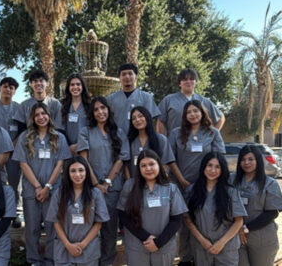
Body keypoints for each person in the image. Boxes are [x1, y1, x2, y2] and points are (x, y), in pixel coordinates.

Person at [13, 102, 72, 265]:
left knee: (52, 226)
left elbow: (60, 164)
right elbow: (22, 164)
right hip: (31, 191)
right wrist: (38, 187)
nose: (40, 117)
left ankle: (51, 259)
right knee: (32, 228)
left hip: (53, 191)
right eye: (37, 115)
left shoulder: (59, 138)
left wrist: (48, 187)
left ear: (49, 116)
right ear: (32, 118)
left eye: (43, 114)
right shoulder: (25, 137)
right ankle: (34, 260)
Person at [77, 96, 130, 265]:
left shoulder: (119, 133)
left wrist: (107, 182)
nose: (100, 112)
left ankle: (107, 261)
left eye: (103, 108)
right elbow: (83, 159)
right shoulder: (85, 132)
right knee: (87, 226)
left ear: (108, 110)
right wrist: (95, 184)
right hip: (90, 188)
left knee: (109, 229)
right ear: (92, 113)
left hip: (112, 189)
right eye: (96, 109)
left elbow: (121, 159)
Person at [117, 149, 188, 266]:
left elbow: (177, 219)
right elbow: (123, 215)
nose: (148, 168)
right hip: (137, 246)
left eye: (151, 164)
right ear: (138, 169)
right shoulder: (130, 186)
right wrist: (146, 237)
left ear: (159, 165)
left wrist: (158, 243)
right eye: (143, 165)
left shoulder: (170, 188)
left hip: (163, 246)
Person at [184, 152, 246, 266]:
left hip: (226, 248)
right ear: (203, 166)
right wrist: (203, 241)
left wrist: (221, 243)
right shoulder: (191, 191)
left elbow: (239, 221)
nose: (213, 170)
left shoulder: (231, 192)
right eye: (209, 165)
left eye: (218, 167)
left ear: (223, 169)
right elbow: (188, 220)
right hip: (202, 247)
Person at [46, 156, 110, 266]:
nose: (77, 175)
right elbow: (55, 222)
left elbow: (99, 223)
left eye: (81, 170)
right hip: (64, 249)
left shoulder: (95, 194)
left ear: (86, 172)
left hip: (88, 249)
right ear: (67, 173)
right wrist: (68, 245)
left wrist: (83, 244)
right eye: (73, 171)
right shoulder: (59, 193)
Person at [232, 145, 282, 266]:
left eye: (250, 159)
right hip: (236, 236)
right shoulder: (232, 180)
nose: (246, 163)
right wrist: (237, 228)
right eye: (243, 160)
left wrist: (245, 228)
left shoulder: (269, 183)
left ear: (258, 161)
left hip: (261, 238)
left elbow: (272, 212)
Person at [168, 100, 225, 189]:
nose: (192, 114)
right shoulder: (175, 133)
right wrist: (182, 181)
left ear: (202, 112)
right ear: (185, 116)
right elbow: (170, 160)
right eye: (188, 112)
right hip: (181, 184)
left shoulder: (213, 133)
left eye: (195, 111)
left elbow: (219, 159)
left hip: (207, 184)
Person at [157, 68, 225, 136]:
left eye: (191, 79)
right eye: (185, 79)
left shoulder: (204, 101)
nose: (188, 81)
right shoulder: (169, 100)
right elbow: (160, 121)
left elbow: (220, 118)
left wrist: (211, 136)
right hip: (175, 144)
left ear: (196, 82)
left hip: (199, 144)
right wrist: (163, 142)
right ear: (179, 83)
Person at [0, 77, 22, 228]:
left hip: (13, 153)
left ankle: (15, 213)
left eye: (11, 87)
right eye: (5, 86)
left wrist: (11, 146)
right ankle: (0, 210)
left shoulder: (18, 108)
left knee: (14, 183)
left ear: (14, 91)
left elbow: (22, 130)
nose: (8, 89)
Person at [107, 63, 160, 135]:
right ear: (119, 78)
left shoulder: (146, 97)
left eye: (130, 73)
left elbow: (151, 121)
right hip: (117, 139)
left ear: (136, 77)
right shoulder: (111, 99)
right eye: (124, 74)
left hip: (139, 139)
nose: (127, 76)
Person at [127, 106, 176, 178]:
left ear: (147, 117)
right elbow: (125, 165)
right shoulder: (129, 141)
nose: (137, 120)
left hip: (156, 183)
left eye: (140, 116)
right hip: (135, 184)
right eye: (133, 118)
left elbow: (166, 163)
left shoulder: (161, 139)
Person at [61, 74, 91, 155]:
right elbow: (61, 129)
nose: (75, 87)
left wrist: (80, 144)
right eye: (72, 85)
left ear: (83, 87)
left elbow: (93, 128)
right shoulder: (63, 106)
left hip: (86, 148)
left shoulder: (89, 106)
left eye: (78, 84)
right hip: (67, 148)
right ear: (68, 87)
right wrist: (69, 145)